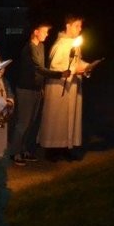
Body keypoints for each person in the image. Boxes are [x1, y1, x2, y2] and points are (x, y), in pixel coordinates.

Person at [9, 22, 70, 166]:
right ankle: (14, 152)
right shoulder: (28, 48)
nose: (46, 35)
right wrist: (60, 74)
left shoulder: (41, 46)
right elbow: (39, 68)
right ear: (36, 32)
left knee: (31, 122)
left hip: (36, 89)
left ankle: (24, 150)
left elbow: (41, 69)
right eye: (44, 32)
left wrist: (41, 86)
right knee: (23, 122)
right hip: (25, 89)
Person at [38, 15, 91, 160]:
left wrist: (86, 66)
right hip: (59, 88)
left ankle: (65, 146)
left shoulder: (74, 43)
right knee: (57, 117)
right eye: (77, 26)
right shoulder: (61, 44)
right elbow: (55, 66)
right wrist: (74, 70)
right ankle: (51, 149)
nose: (80, 29)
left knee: (68, 117)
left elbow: (76, 61)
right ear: (68, 26)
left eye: (80, 26)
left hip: (71, 87)